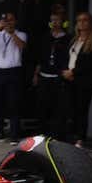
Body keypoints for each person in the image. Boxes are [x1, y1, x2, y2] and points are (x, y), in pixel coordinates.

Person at [0, 11, 27, 141]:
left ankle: (14, 134)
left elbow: (22, 46)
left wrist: (12, 33)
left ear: (15, 21)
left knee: (13, 103)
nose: (8, 22)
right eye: (6, 20)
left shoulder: (21, 34)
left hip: (13, 72)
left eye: (11, 20)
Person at [64, 12, 92, 148]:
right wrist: (66, 72)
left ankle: (80, 139)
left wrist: (73, 72)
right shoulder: (74, 40)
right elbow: (68, 58)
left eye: (85, 20)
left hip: (84, 81)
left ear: (90, 23)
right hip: (70, 79)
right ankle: (71, 137)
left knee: (82, 109)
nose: (81, 23)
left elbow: (90, 63)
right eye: (79, 20)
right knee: (71, 109)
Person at [34, 11, 71, 140]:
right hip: (44, 75)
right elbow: (39, 57)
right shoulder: (45, 37)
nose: (54, 23)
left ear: (63, 22)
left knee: (57, 108)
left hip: (58, 77)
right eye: (52, 20)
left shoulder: (68, 38)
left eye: (57, 20)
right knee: (42, 106)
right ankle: (42, 134)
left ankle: (56, 136)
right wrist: (36, 75)